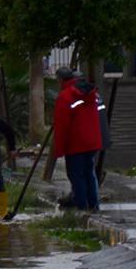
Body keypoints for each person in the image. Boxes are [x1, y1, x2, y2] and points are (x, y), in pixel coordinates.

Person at [52, 67, 103, 211]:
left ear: (61, 79)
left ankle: (82, 207)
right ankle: (93, 206)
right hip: (92, 141)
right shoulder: (91, 93)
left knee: (76, 176)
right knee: (88, 173)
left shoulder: (65, 96)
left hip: (75, 143)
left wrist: (59, 149)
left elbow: (62, 126)